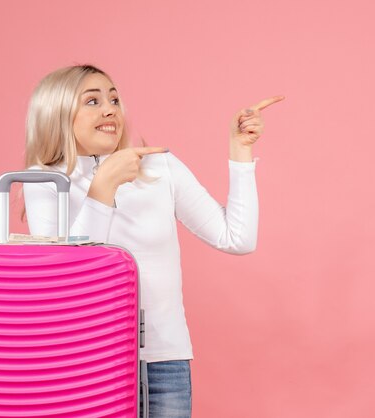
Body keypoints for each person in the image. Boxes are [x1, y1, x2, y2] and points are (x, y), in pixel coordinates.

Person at [22, 64, 283, 418]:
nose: (110, 108)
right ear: (57, 111)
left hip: (164, 361)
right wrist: (104, 187)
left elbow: (236, 238)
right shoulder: (44, 181)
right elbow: (70, 274)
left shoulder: (160, 167)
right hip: (82, 361)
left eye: (114, 98)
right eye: (93, 101)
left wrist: (240, 151)